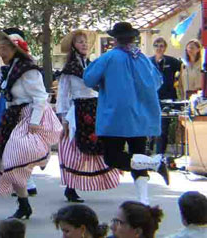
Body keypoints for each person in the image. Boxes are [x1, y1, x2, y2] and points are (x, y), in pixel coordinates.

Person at [83, 22, 169, 206]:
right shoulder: (144, 59)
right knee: (138, 156)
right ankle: (144, 200)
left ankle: (155, 163)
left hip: (116, 117)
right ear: (133, 38)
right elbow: (157, 82)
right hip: (142, 118)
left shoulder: (109, 57)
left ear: (115, 39)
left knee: (113, 157)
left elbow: (89, 78)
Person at [0, 28, 61, 220]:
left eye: (5, 48)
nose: (1, 52)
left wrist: (35, 121)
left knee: (15, 158)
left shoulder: (28, 70)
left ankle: (40, 162)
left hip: (27, 115)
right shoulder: (11, 69)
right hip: (13, 115)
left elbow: (40, 97)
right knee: (8, 162)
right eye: (0, 48)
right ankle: (24, 204)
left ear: (16, 50)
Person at [57, 30, 120, 203]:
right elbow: (63, 94)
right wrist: (63, 118)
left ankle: (100, 179)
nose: (84, 44)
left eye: (85, 41)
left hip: (95, 107)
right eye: (79, 42)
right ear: (73, 46)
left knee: (98, 144)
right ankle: (71, 187)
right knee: (75, 147)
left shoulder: (92, 65)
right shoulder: (70, 69)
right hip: (78, 109)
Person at [149, 36, 181, 155]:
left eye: (161, 46)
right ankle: (149, 151)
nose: (159, 48)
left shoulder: (172, 61)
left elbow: (184, 69)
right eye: (156, 45)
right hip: (152, 98)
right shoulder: (148, 61)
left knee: (163, 127)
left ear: (165, 48)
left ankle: (160, 154)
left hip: (167, 98)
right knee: (151, 126)